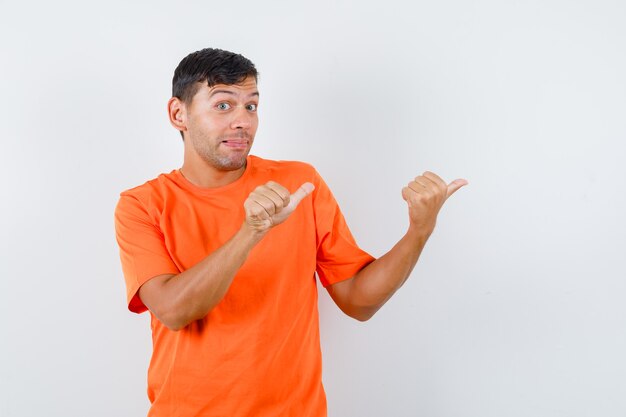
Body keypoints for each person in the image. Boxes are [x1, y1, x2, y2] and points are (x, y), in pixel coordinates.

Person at [114, 47, 467, 417]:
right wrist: (250, 232)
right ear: (178, 114)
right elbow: (174, 310)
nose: (242, 122)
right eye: (223, 105)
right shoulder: (141, 205)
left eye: (251, 106)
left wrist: (419, 231)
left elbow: (358, 301)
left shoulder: (299, 183)